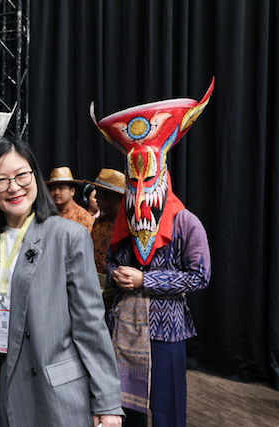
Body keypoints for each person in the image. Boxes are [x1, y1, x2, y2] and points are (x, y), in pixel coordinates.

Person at [0, 137, 123, 427]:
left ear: (35, 176)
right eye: (0, 180)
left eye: (21, 175)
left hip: (54, 393)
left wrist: (108, 403)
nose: (14, 187)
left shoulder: (68, 236)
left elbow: (90, 324)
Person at [90, 78, 214, 427]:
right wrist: (117, 273)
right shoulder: (124, 221)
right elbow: (112, 260)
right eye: (134, 181)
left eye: (148, 179)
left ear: (164, 175)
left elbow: (200, 276)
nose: (141, 190)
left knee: (166, 410)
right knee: (125, 412)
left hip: (166, 330)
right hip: (125, 328)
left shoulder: (186, 222)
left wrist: (146, 280)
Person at [84, 168, 126, 312]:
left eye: (98, 192)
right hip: (95, 295)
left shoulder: (130, 226)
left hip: (120, 296)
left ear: (110, 195)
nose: (95, 197)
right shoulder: (100, 222)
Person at [45, 167, 95, 232]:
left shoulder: (83, 217)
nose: (56, 192)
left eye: (61, 188)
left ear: (72, 191)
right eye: (53, 189)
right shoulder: (45, 214)